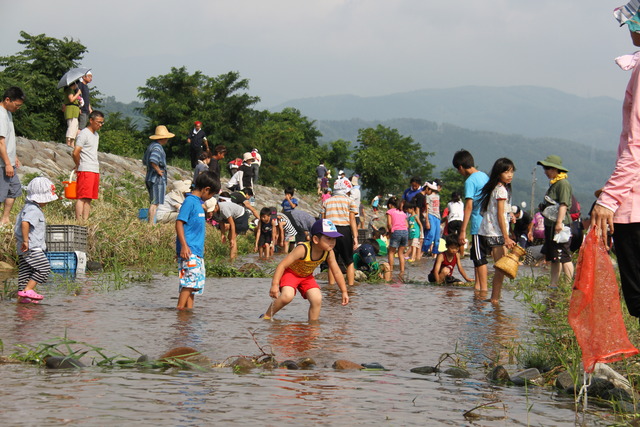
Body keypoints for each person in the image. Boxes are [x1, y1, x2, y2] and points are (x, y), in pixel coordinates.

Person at [261, 219, 349, 323]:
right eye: (328, 238)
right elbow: (282, 265)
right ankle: (266, 316)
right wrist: (274, 285)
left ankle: (312, 325)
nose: (332, 243)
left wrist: (344, 291)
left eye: (334, 239)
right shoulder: (303, 249)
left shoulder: (329, 253)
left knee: (317, 299)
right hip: (291, 274)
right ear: (316, 239)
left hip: (306, 277)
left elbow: (337, 272)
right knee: (286, 297)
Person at [175, 171, 219, 310]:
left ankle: (188, 313)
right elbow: (179, 223)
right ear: (206, 189)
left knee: (193, 285)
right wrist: (183, 246)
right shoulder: (190, 202)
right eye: (211, 194)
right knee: (189, 283)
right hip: (189, 251)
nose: (210, 198)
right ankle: (180, 310)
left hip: (196, 251)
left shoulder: (198, 204)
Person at [478, 158, 516, 303]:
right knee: (501, 268)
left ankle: (495, 297)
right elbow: (499, 214)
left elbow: (499, 212)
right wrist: (506, 237)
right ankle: (494, 299)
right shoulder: (501, 190)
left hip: (490, 230)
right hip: (496, 233)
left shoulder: (497, 188)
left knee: (500, 267)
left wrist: (509, 215)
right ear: (499, 173)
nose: (510, 175)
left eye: (512, 171)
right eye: (506, 171)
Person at [14, 177, 58, 303]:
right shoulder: (33, 210)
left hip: (23, 248)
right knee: (44, 268)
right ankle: (28, 290)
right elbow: (25, 223)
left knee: (25, 273)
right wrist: (26, 241)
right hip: (31, 247)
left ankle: (21, 299)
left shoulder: (27, 207)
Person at [452, 149, 490, 292]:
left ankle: (483, 291)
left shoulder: (470, 181)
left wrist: (462, 231)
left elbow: (468, 206)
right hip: (487, 223)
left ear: (460, 167)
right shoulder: (484, 176)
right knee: (477, 257)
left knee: (479, 259)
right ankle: (478, 287)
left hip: (477, 224)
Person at [537, 155, 574, 288]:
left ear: (555, 169)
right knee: (554, 257)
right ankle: (553, 284)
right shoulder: (554, 183)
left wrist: (559, 223)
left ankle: (568, 284)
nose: (545, 171)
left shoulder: (563, 184)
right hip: (550, 224)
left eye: (547, 168)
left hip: (560, 225)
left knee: (563, 255)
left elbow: (563, 204)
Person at [322, 176, 358, 287]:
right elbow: (352, 220)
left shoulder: (326, 202)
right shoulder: (350, 201)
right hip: (344, 231)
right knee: (349, 261)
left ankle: (331, 287)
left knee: (332, 261)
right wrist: (355, 238)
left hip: (330, 231)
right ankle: (350, 287)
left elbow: (323, 220)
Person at [0, 86, 25, 228]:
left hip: (9, 161)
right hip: (3, 164)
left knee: (13, 189)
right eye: (17, 105)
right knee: (1, 192)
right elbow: (0, 142)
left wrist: (14, 156)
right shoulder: (1, 114)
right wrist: (7, 163)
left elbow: (8, 139)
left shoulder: (8, 113)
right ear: (7, 99)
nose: (18, 108)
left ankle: (5, 219)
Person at [73, 110, 104, 221]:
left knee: (89, 198)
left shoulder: (96, 135)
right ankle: (79, 220)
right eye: (98, 122)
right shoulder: (84, 133)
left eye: (101, 123)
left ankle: (85, 220)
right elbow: (76, 151)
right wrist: (78, 165)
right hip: (86, 168)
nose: (100, 125)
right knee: (82, 197)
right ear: (91, 120)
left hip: (94, 168)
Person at [143, 125, 174, 224]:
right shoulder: (157, 147)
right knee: (155, 203)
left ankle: (151, 222)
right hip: (156, 178)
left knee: (153, 201)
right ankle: (151, 223)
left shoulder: (151, 146)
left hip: (149, 176)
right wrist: (158, 170)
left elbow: (146, 160)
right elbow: (153, 160)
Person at [386, 196, 408, 275]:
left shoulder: (390, 211)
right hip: (405, 232)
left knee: (391, 252)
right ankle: (402, 271)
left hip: (396, 232)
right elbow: (406, 225)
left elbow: (389, 224)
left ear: (390, 205)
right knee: (401, 253)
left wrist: (390, 232)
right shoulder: (402, 213)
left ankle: (390, 270)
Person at [422, 181, 441, 257]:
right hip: (431, 215)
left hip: (437, 216)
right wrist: (427, 220)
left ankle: (435, 254)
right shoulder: (428, 197)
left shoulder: (438, 196)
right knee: (431, 234)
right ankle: (423, 251)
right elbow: (427, 209)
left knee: (437, 237)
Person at [63, 81, 82, 147]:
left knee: (75, 127)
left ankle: (72, 142)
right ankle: (68, 141)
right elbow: (71, 99)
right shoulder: (70, 90)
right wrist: (78, 93)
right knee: (71, 126)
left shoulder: (72, 91)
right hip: (71, 110)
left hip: (75, 111)